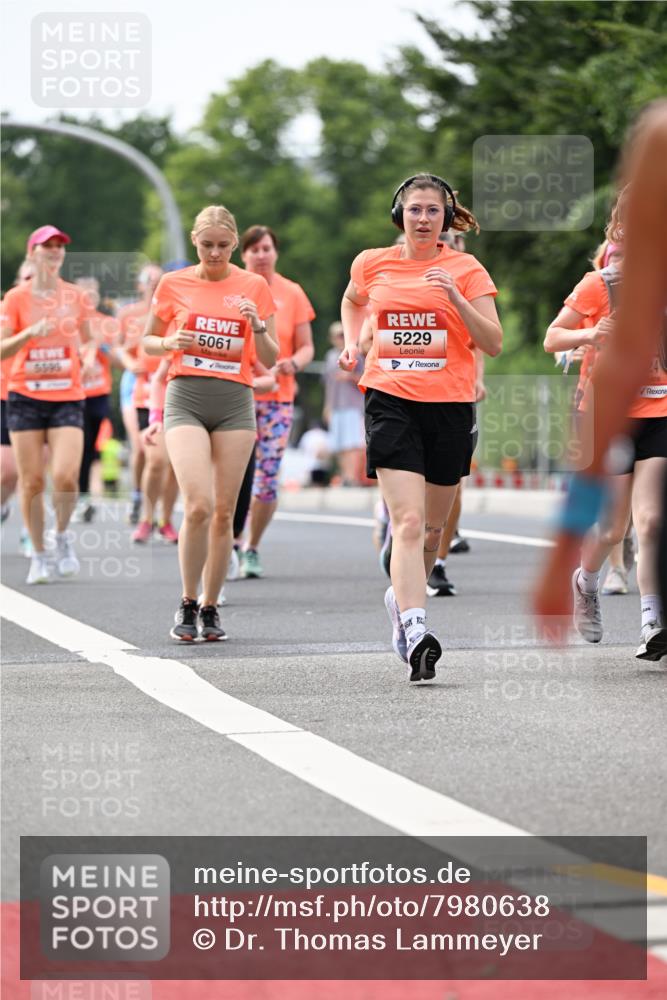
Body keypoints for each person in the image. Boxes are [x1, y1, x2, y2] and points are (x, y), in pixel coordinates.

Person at [339, 173, 501, 681]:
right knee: (406, 523)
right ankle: (416, 629)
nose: (424, 218)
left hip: (449, 404)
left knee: (433, 530)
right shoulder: (372, 262)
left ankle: (400, 603)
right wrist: (351, 342)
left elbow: (492, 342)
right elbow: (351, 300)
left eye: (433, 210)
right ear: (400, 215)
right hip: (389, 399)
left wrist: (455, 296)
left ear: (447, 218)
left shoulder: (467, 269)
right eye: (415, 210)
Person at [534, 100, 667, 659]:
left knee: (653, 519)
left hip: (660, 412)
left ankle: (652, 622)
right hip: (607, 413)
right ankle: (585, 583)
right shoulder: (599, 285)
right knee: (611, 530)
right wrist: (590, 337)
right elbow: (551, 338)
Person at [142, 205, 278, 641]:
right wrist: (168, 341)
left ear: (234, 244)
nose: (215, 253)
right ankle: (186, 599)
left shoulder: (252, 285)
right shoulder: (173, 283)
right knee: (197, 504)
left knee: (223, 512)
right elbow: (146, 341)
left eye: (222, 245)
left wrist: (257, 327)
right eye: (206, 246)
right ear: (195, 242)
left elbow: (271, 358)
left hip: (235, 402)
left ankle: (211, 606)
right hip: (186, 398)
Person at [0, 225, 96, 584]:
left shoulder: (76, 297)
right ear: (32, 253)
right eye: (47, 246)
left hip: (67, 396)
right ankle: (39, 554)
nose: (54, 251)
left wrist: (87, 358)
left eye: (59, 246)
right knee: (32, 481)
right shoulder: (16, 298)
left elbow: (88, 342)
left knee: (67, 475)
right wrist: (29, 333)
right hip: (25, 395)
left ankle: (63, 536)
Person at [237, 225, 315, 579]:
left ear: (276, 251)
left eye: (266, 247)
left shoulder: (292, 292)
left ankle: (251, 546)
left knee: (266, 479)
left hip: (277, 398)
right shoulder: (233, 288)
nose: (261, 254)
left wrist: (294, 363)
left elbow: (306, 346)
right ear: (244, 255)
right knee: (233, 476)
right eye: (254, 249)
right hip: (235, 395)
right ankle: (230, 542)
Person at [117, 264, 163, 524]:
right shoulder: (129, 314)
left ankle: (153, 506)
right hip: (134, 383)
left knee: (156, 449)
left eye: (158, 281)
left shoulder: (170, 312)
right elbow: (119, 349)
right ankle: (136, 495)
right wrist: (129, 363)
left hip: (160, 383)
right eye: (149, 281)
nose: (154, 286)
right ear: (140, 285)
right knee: (139, 446)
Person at [73, 277, 120, 522]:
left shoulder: (106, 324)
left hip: (99, 393)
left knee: (94, 446)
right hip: (73, 393)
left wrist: (102, 348)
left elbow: (118, 361)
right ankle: (82, 495)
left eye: (93, 292)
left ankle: (88, 495)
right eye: (84, 292)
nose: (89, 297)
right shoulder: (69, 324)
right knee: (78, 446)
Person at [323, 321, 365, 485]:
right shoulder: (330, 356)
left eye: (343, 335)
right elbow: (328, 384)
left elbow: (365, 378)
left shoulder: (357, 355)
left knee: (353, 443)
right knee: (339, 444)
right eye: (337, 335)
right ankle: (345, 476)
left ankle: (352, 477)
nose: (340, 338)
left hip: (353, 404)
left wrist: (350, 377)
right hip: (336, 405)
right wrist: (327, 406)